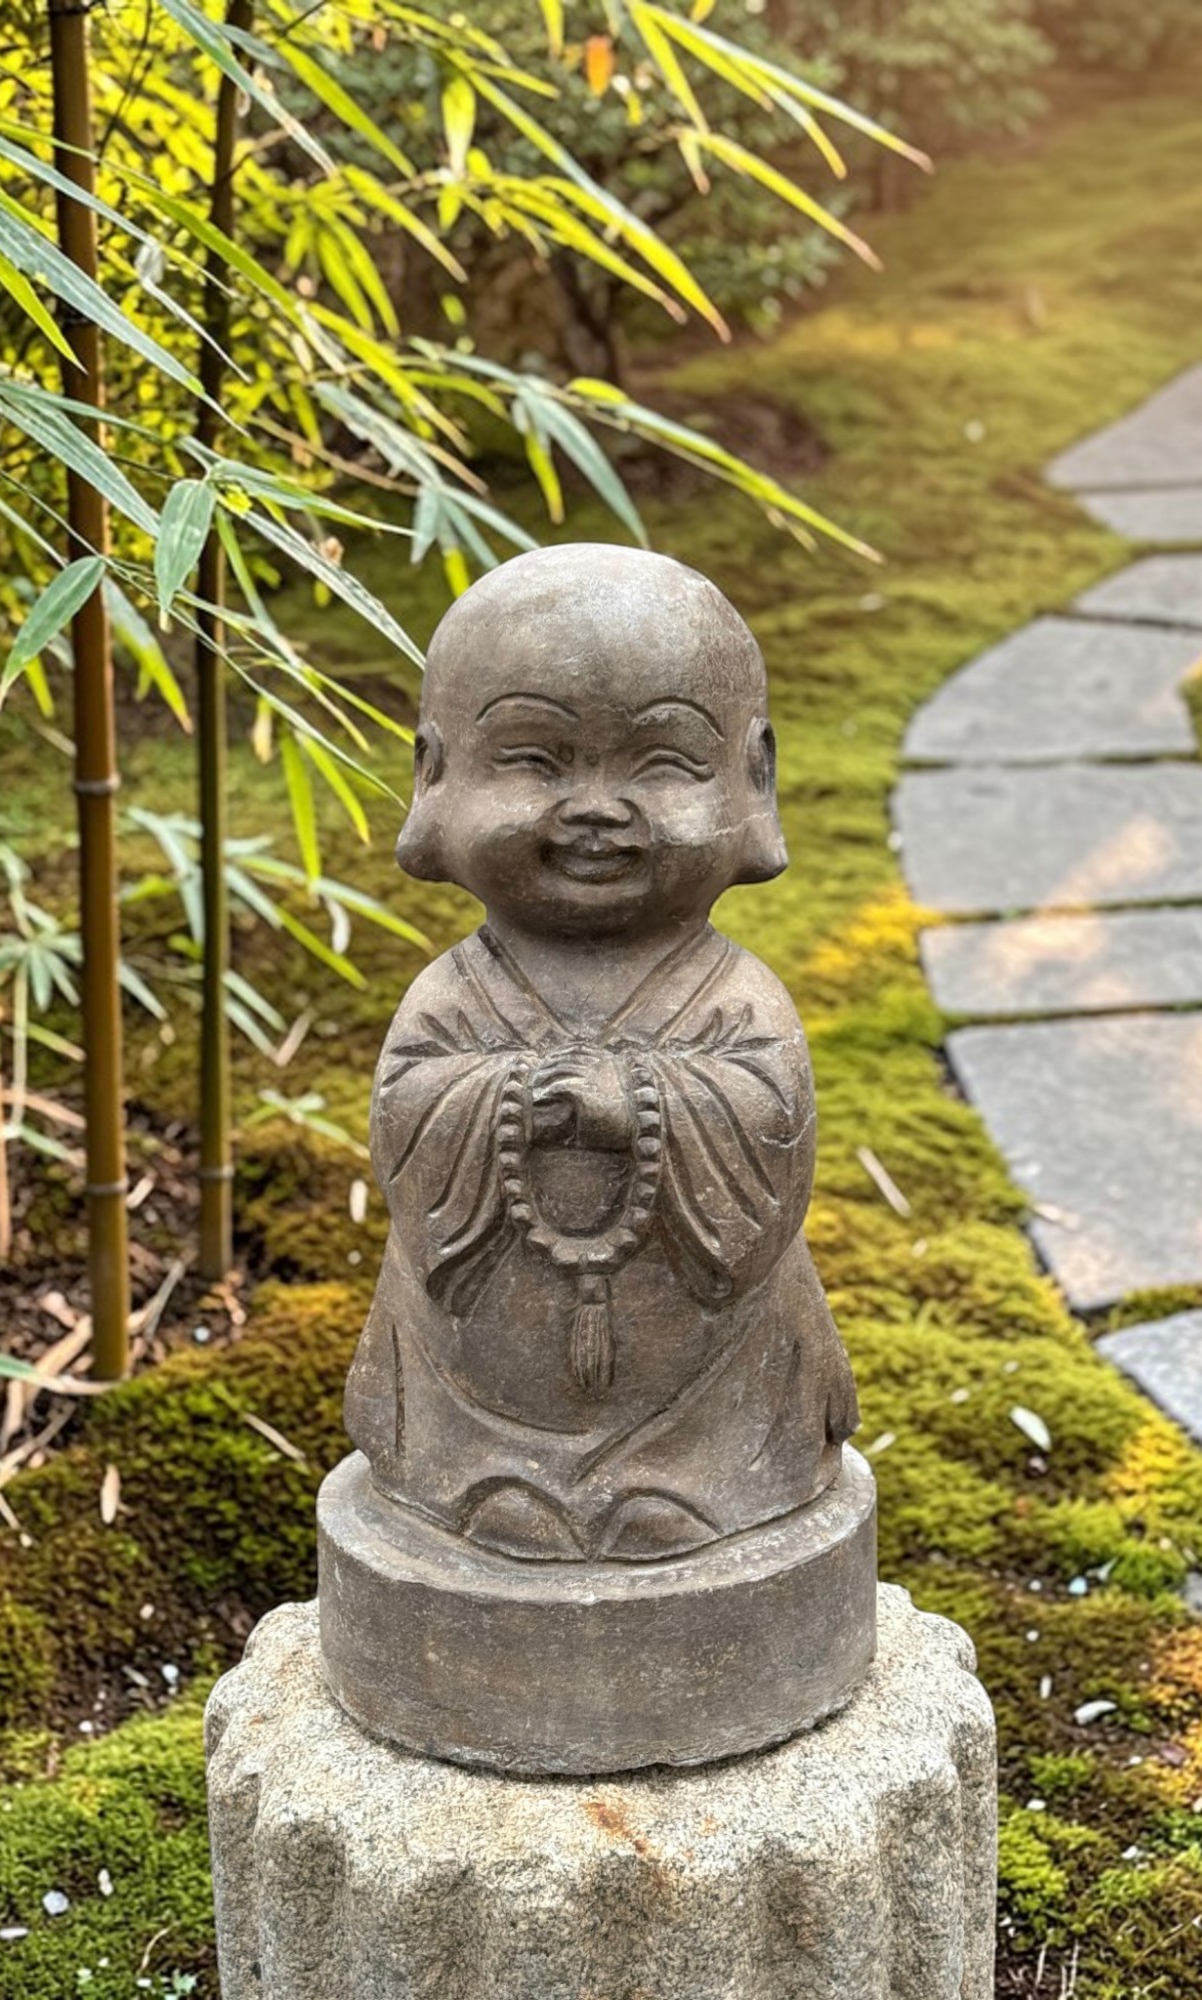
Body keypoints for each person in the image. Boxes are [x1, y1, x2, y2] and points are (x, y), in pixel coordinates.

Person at [344, 544, 861, 1563]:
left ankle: (700, 1478)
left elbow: (766, 1129)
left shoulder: (735, 999)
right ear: (434, 773)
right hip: (476, 1388)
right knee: (482, 1481)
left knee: (707, 1460)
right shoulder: (454, 994)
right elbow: (410, 1118)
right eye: (533, 760)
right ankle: (483, 1480)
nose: (593, 806)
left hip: (711, 1400)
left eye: (659, 763)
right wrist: (508, 1099)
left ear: (749, 776)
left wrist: (636, 1103)